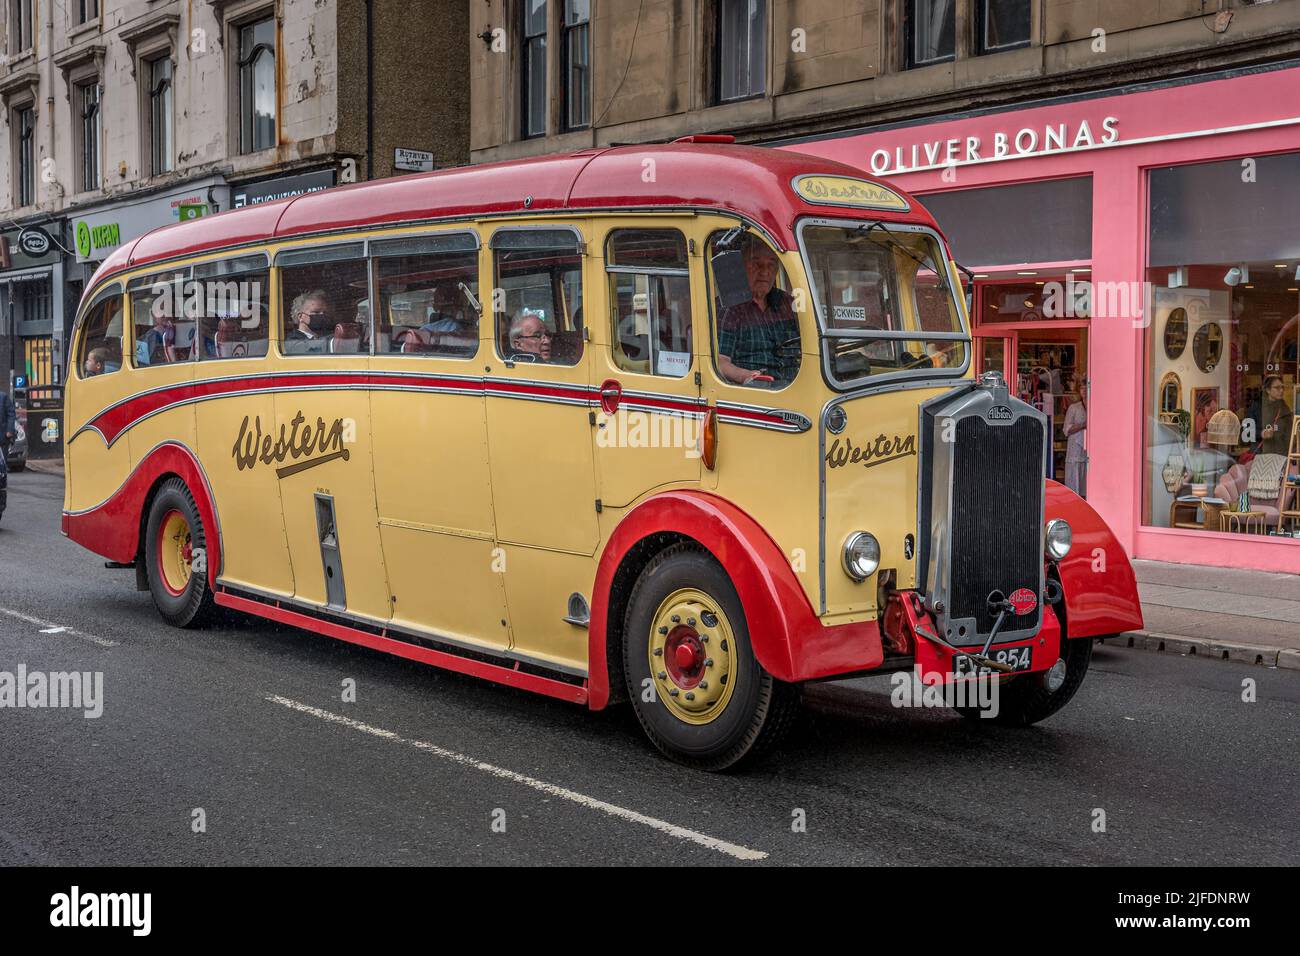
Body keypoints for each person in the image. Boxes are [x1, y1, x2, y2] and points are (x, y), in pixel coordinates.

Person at [716, 237, 800, 387]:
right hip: (756, 392)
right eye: (757, 264)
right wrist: (747, 376)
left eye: (771, 264)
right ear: (741, 267)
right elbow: (720, 362)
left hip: (794, 386)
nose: (765, 272)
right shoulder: (730, 307)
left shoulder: (788, 303)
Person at [1245, 375, 1294, 456]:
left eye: (1282, 387)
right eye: (1277, 388)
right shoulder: (1257, 407)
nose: (1281, 390)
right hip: (1261, 454)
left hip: (1281, 456)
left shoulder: (1284, 408)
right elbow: (1246, 432)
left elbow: (1289, 435)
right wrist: (1262, 433)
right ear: (1268, 390)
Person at [1063, 373, 1088, 497]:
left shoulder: (1094, 406)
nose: (1084, 391)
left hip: (1087, 454)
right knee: (1074, 490)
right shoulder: (1074, 408)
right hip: (1075, 452)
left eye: (1086, 388)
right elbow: (1066, 429)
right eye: (1082, 389)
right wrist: (1083, 425)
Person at [0, 389, 14, 522]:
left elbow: (11, 414)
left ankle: (2, 482)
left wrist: (10, 430)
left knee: (1, 465)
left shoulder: (3, 397)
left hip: (1, 438)